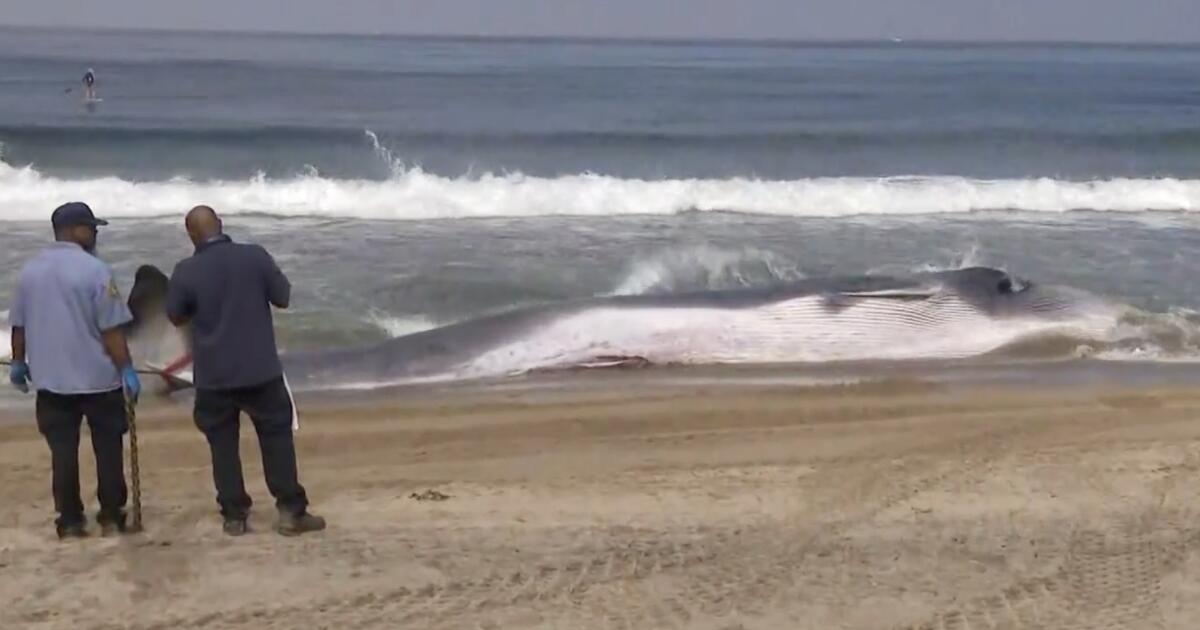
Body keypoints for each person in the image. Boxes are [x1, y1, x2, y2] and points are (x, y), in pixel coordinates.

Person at [165, 205, 324, 537]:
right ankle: (290, 511)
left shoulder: (186, 270)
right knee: (276, 439)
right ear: (221, 226)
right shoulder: (255, 257)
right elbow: (283, 297)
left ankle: (235, 515)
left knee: (222, 445)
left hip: (213, 374)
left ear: (191, 235)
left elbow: (176, 316)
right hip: (260, 369)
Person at [8, 202, 142, 539]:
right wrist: (127, 368)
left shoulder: (29, 272)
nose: (95, 234)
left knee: (63, 453)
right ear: (75, 230)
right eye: (92, 228)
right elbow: (112, 330)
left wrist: (19, 362)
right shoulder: (96, 271)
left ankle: (69, 520)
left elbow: (19, 327)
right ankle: (112, 516)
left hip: (52, 382)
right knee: (108, 449)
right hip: (99, 380)